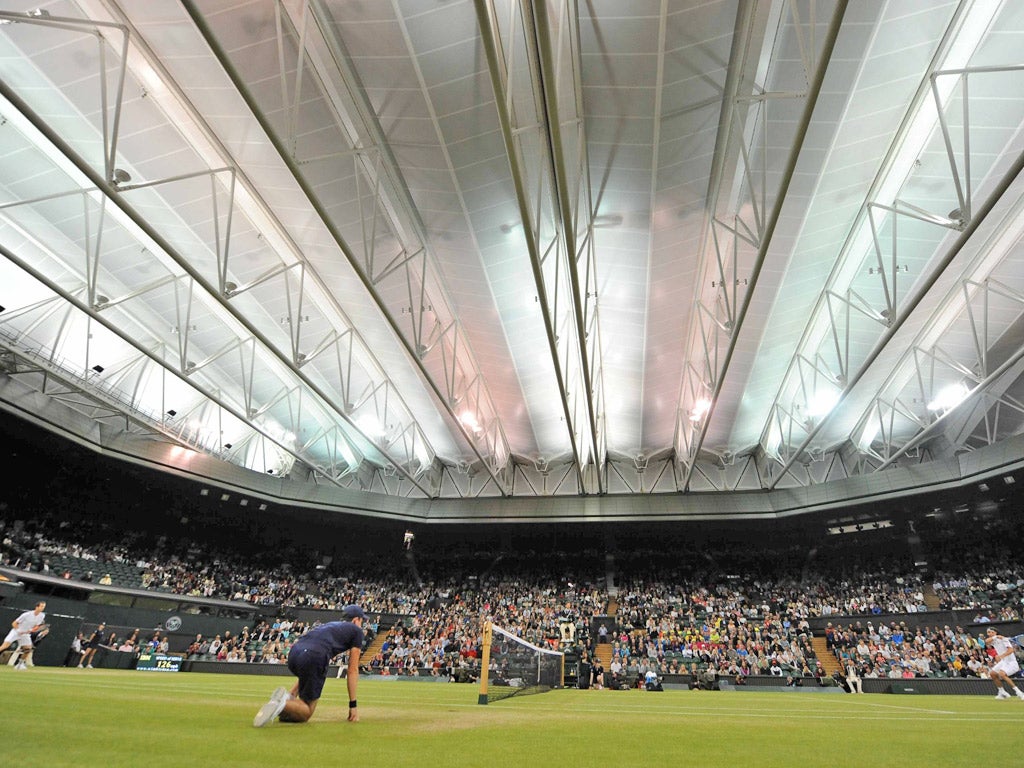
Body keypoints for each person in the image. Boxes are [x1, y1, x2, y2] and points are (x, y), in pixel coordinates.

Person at [253, 604, 365, 727]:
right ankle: (281, 704)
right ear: (356, 620)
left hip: (294, 653)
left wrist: (292, 694)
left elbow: (308, 670)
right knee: (306, 711)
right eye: (362, 621)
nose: (362, 624)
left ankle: (286, 703)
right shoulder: (356, 631)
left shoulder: (331, 626)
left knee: (294, 713)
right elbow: (352, 670)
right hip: (313, 656)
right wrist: (353, 706)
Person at [0, 600, 46, 670]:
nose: (43, 608)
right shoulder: (26, 614)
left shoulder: (42, 615)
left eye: (44, 607)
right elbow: (14, 623)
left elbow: (37, 626)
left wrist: (32, 630)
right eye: (41, 606)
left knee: (28, 649)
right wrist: (19, 631)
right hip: (15, 632)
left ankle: (20, 664)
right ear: (37, 607)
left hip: (25, 634)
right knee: (5, 646)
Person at [984, 627, 1024, 700]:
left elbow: (1011, 650)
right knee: (992, 674)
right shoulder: (993, 640)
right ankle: (1002, 692)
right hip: (1004, 662)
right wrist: (996, 636)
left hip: (1011, 663)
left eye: (991, 632)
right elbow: (986, 641)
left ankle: (1019, 692)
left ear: (995, 632)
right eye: (988, 632)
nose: (989, 634)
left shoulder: (1004, 640)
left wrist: (1002, 655)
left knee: (1002, 674)